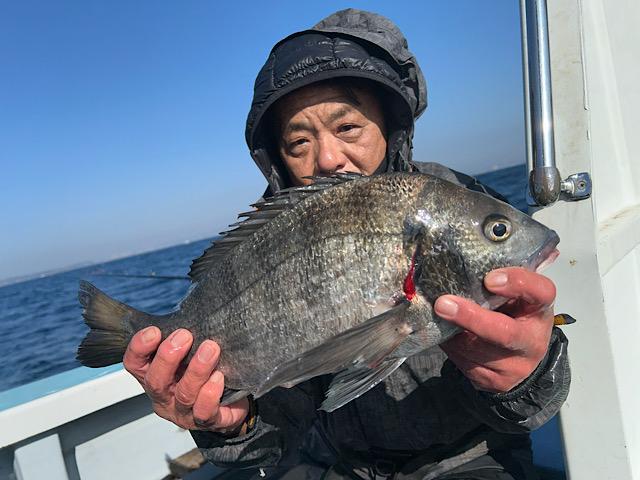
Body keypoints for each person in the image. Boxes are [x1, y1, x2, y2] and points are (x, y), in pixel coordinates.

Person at [123, 9, 570, 480]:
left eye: (347, 128)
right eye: (298, 143)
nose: (329, 158)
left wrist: (524, 379)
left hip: (470, 457)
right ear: (278, 158)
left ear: (388, 125)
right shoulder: (271, 239)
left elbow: (534, 404)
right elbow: (279, 431)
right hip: (343, 464)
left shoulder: (460, 201)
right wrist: (233, 426)